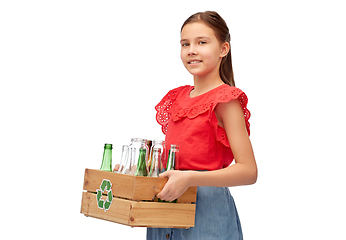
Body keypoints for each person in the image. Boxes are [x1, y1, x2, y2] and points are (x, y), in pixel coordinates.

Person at [147, 11, 257, 240]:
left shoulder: (226, 100)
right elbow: (177, 159)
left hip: (206, 214)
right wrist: (138, 170)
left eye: (202, 42)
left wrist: (190, 178)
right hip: (164, 210)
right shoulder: (177, 98)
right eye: (185, 43)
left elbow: (248, 171)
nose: (191, 50)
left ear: (223, 50)